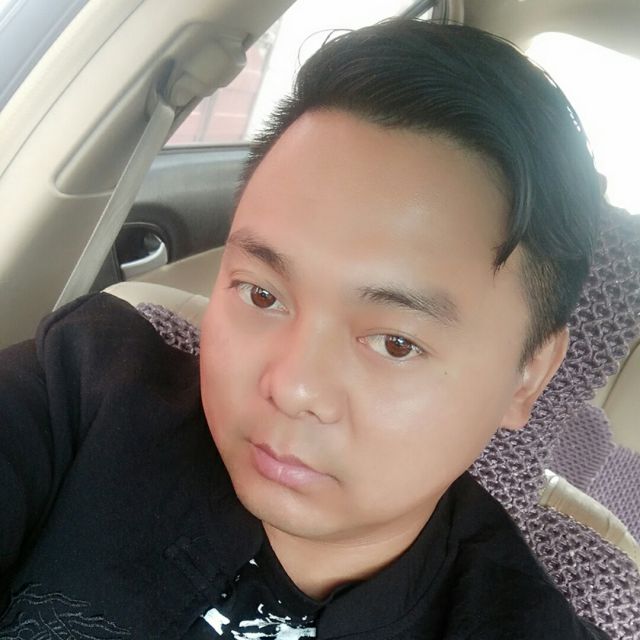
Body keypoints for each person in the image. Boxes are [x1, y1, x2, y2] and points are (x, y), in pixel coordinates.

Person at [0, 18, 609, 640]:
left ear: (527, 376)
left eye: (395, 343)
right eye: (262, 295)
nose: (292, 388)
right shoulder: (85, 390)